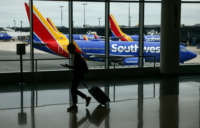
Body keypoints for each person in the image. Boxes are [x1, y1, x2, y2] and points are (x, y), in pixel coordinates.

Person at [61, 43, 91, 113]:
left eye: (69, 49)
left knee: (73, 89)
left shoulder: (77, 56)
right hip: (79, 74)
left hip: (78, 74)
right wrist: (68, 66)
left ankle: (84, 99)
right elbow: (78, 67)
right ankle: (77, 103)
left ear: (72, 49)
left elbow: (77, 67)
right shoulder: (77, 55)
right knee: (73, 90)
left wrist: (68, 66)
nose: (68, 51)